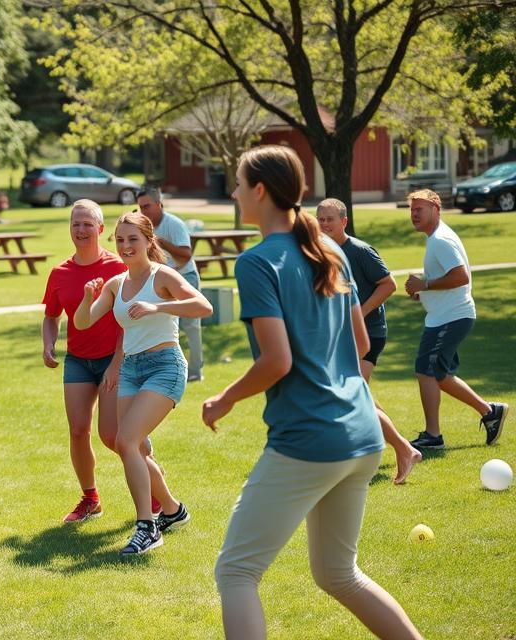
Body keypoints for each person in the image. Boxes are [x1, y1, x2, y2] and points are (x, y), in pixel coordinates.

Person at [203, 146, 421, 639]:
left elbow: (277, 362)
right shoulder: (331, 249)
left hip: (310, 440)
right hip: (362, 436)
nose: (234, 192)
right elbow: (360, 343)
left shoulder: (257, 263)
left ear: (259, 192)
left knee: (236, 573)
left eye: (238, 183)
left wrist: (225, 399)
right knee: (338, 574)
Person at [74, 211, 212, 555]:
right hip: (132, 369)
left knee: (127, 440)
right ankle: (172, 510)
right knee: (135, 448)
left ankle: (146, 527)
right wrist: (88, 299)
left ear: (149, 241)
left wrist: (157, 306)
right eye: (120, 240)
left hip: (165, 366)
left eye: (132, 239)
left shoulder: (161, 275)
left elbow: (203, 306)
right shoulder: (115, 284)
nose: (125, 246)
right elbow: (83, 322)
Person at [316, 198, 422, 484]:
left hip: (369, 333)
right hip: (342, 335)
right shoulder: (323, 252)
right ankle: (393, 447)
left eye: (330, 219)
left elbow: (388, 284)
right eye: (321, 219)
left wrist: (358, 315)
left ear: (344, 221)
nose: (324, 224)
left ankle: (402, 449)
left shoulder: (360, 251)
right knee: (360, 394)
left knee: (355, 396)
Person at [42, 200, 125, 523]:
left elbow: (126, 321)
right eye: (76, 224)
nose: (81, 230)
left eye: (88, 224)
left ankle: (154, 490)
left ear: (101, 229)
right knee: (78, 430)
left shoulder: (117, 267)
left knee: (114, 436)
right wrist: (48, 343)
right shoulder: (60, 273)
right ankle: (90, 498)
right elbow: (51, 316)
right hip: (77, 359)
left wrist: (117, 362)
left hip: (112, 358)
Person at [404, 189, 507, 449]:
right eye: (412, 210)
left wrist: (425, 284)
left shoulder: (440, 240)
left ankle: (433, 435)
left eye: (420, 209)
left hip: (450, 317)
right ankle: (489, 412)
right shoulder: (437, 237)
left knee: (425, 371)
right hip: (447, 315)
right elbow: (451, 279)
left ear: (436, 209)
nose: (415, 214)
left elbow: (461, 276)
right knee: (440, 374)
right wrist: (426, 293)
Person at [136, 187, 205, 381]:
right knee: (164, 326)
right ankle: (167, 370)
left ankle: (195, 372)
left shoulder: (173, 224)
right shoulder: (144, 226)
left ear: (159, 204)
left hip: (185, 277)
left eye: (147, 206)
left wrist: (163, 243)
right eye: (140, 207)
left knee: (191, 326)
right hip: (162, 282)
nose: (143, 211)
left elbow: (186, 255)